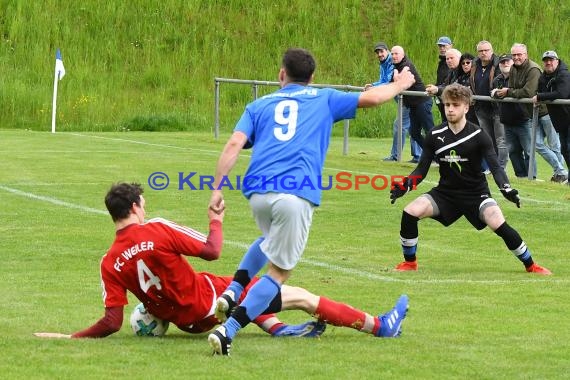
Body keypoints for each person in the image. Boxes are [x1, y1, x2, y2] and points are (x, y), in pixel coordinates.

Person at [207, 47, 414, 355]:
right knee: (279, 272)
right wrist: (400, 84)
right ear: (312, 78)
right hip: (295, 193)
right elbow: (373, 98)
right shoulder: (323, 97)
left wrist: (216, 188)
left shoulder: (258, 104)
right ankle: (229, 330)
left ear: (281, 74)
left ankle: (233, 289)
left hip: (258, 192)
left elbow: (236, 142)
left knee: (268, 239)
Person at [33, 182, 409, 341]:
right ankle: (379, 326)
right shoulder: (157, 229)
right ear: (135, 207)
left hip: (188, 322)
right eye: (143, 204)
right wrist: (216, 218)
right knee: (297, 294)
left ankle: (277, 329)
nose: (146, 208)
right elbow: (211, 248)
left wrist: (73, 336)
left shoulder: (108, 261)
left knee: (246, 289)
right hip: (211, 299)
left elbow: (113, 321)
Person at [389, 83, 552, 276]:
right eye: (447, 104)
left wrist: (506, 189)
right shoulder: (435, 134)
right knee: (410, 212)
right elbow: (421, 168)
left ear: (466, 107)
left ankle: (531, 265)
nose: (450, 109)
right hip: (446, 193)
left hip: (476, 193)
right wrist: (407, 185)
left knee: (498, 222)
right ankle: (410, 263)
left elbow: (496, 166)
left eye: (455, 105)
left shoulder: (479, 135)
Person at [496, 43, 567, 182]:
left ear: (526, 55)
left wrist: (508, 92)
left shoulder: (533, 69)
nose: (516, 57)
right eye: (514, 55)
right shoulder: (513, 69)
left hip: (545, 112)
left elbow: (528, 92)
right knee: (537, 144)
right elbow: (514, 88)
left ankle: (560, 173)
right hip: (531, 112)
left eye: (519, 54)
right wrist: (509, 91)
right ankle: (561, 171)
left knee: (554, 145)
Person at [364, 41, 421, 163]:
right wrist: (373, 85)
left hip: (409, 99)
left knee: (399, 125)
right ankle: (418, 155)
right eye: (377, 52)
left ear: (387, 51)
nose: (379, 54)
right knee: (413, 127)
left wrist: (374, 88)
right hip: (407, 99)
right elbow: (383, 80)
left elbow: (390, 83)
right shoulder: (383, 64)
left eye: (382, 51)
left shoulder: (392, 62)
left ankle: (396, 156)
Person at [492, 54, 533, 178]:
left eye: (507, 61)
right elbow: (493, 93)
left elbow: (524, 91)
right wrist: (496, 93)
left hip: (523, 119)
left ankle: (532, 176)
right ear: (499, 65)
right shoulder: (497, 80)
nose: (505, 64)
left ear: (512, 63)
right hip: (506, 120)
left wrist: (504, 93)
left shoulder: (518, 78)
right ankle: (521, 176)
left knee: (528, 150)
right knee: (513, 151)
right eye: (502, 62)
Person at [470, 41, 508, 169]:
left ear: (491, 50)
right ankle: (492, 167)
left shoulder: (498, 64)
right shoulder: (474, 64)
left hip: (497, 109)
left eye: (486, 50)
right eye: (481, 51)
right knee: (488, 141)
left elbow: (502, 81)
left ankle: (501, 168)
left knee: (501, 140)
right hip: (481, 108)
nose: (483, 53)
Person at [533, 50, 570, 182]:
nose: (548, 62)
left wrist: (541, 97)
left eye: (551, 60)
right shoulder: (543, 77)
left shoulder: (564, 74)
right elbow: (540, 90)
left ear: (557, 61)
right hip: (560, 120)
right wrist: (540, 95)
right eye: (546, 60)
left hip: (567, 117)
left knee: (568, 148)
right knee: (565, 150)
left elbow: (562, 93)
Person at [391, 45, 435, 149]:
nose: (394, 56)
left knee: (430, 130)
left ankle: (441, 156)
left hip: (422, 102)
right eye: (392, 54)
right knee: (414, 132)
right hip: (413, 104)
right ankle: (433, 156)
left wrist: (396, 80)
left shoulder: (406, 66)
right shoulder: (396, 66)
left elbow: (406, 82)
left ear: (403, 55)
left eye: (396, 54)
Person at [456, 53, 479, 125]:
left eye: (468, 62)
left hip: (476, 108)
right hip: (464, 108)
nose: (465, 64)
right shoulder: (460, 77)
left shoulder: (477, 75)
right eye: (463, 63)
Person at [435, 36, 454, 122]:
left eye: (444, 46)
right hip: (441, 95)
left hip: (450, 96)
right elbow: (440, 79)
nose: (442, 48)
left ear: (451, 46)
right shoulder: (441, 62)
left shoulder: (454, 61)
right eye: (440, 46)